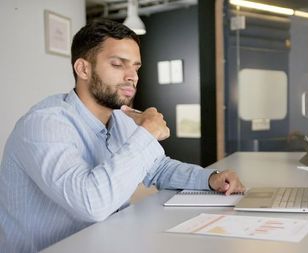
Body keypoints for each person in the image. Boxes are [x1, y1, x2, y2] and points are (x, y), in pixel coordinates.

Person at [0, 19, 245, 252]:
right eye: (118, 65)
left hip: (107, 242)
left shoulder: (119, 117)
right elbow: (92, 204)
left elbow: (157, 168)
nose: (132, 76)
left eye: (136, 67)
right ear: (83, 69)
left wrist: (211, 179)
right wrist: (146, 133)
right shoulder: (44, 124)